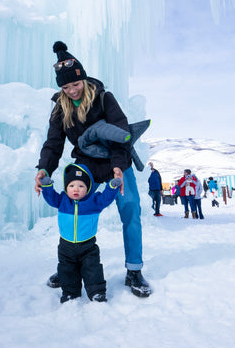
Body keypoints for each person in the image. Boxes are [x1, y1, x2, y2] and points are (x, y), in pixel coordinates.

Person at [35, 41, 152, 298]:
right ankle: (70, 267)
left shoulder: (103, 98)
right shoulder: (60, 108)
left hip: (115, 161)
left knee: (130, 210)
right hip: (85, 166)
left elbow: (122, 133)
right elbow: (53, 143)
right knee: (73, 209)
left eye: (75, 84)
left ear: (83, 79)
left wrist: (119, 168)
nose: (72, 91)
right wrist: (44, 169)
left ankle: (134, 269)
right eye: (66, 87)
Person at [40, 163, 121, 303]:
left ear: (88, 188)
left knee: (93, 268)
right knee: (67, 270)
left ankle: (97, 292)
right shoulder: (62, 200)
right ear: (66, 188)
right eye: (71, 186)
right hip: (66, 246)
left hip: (88, 246)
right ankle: (70, 293)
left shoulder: (93, 202)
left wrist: (112, 187)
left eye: (81, 186)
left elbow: (106, 198)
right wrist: (47, 186)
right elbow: (51, 198)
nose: (76, 189)